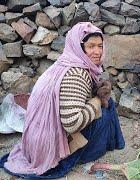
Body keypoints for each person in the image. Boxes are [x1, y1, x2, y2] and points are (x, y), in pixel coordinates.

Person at [0, 22, 125, 179]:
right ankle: (96, 149)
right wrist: (98, 101)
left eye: (100, 46)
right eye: (91, 46)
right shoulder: (77, 73)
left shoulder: (63, 63)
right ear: (79, 47)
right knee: (107, 108)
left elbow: (73, 98)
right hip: (50, 150)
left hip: (37, 143)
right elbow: (72, 123)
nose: (97, 51)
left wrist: (95, 92)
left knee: (103, 103)